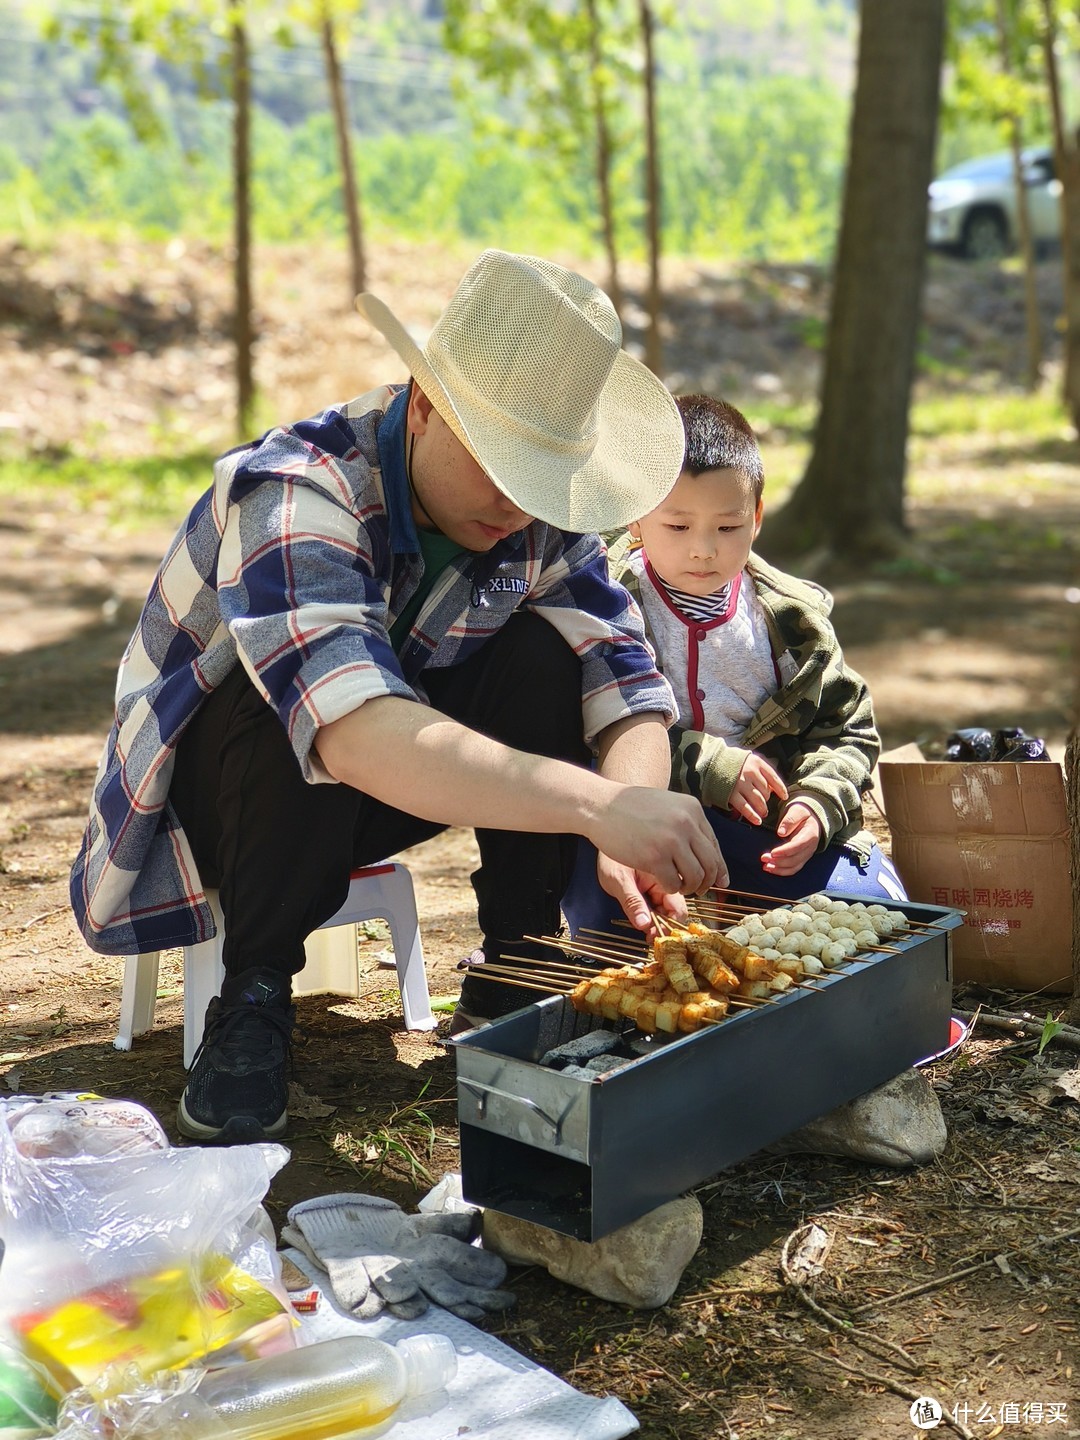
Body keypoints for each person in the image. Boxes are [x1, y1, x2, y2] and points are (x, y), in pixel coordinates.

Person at [70, 249, 727, 1145]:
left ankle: (519, 962)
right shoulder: (299, 488)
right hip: (220, 802)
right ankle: (255, 992)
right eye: (499, 467)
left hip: (390, 789)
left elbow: (623, 671)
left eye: (538, 481)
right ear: (424, 408)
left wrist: (639, 798)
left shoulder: (539, 520)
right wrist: (597, 805)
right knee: (285, 698)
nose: (515, 504)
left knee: (549, 653)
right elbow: (348, 731)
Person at [562, 392, 905, 939]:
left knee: (876, 914)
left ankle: (748, 908)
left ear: (757, 517)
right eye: (677, 526)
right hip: (641, 828)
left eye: (727, 527)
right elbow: (578, 734)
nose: (703, 550)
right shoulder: (604, 603)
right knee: (618, 926)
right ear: (636, 518)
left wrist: (818, 805)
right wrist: (707, 765)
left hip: (760, 834)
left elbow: (848, 732)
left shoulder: (796, 624)